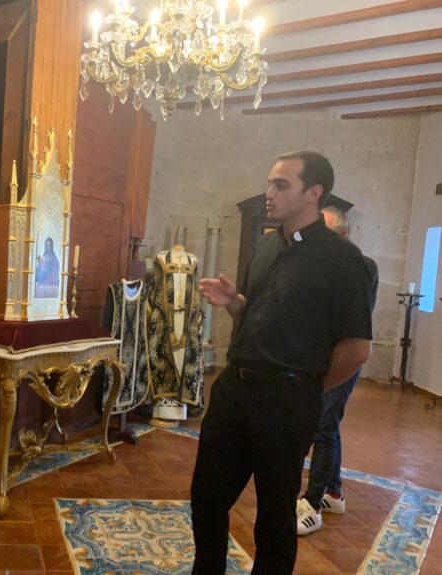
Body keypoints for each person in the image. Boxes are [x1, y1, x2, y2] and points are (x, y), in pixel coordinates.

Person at [191, 151, 373, 574]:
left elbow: (356, 347)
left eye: (281, 185)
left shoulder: (345, 262)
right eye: (270, 182)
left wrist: (307, 387)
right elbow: (254, 311)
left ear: (313, 193)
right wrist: (232, 302)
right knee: (207, 498)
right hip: (235, 391)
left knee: (274, 516)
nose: (269, 192)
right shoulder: (267, 244)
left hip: (288, 400)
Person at [296, 206, 379, 535]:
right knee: (326, 424)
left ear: (343, 236)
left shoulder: (361, 266)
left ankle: (312, 504)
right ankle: (334, 492)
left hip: (342, 358)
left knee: (324, 425)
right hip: (315, 357)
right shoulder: (318, 264)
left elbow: (349, 325)